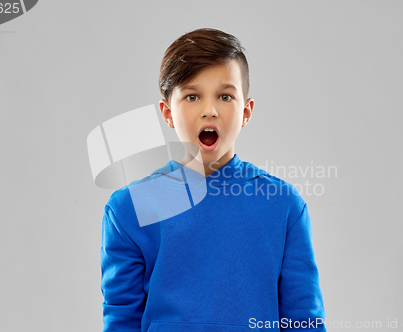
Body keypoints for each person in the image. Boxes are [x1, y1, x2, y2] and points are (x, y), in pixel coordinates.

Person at [100, 27, 326, 331]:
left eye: (225, 96)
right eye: (192, 96)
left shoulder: (283, 205)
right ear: (167, 113)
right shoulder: (129, 207)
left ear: (246, 112)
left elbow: (304, 322)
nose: (209, 110)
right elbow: (121, 321)